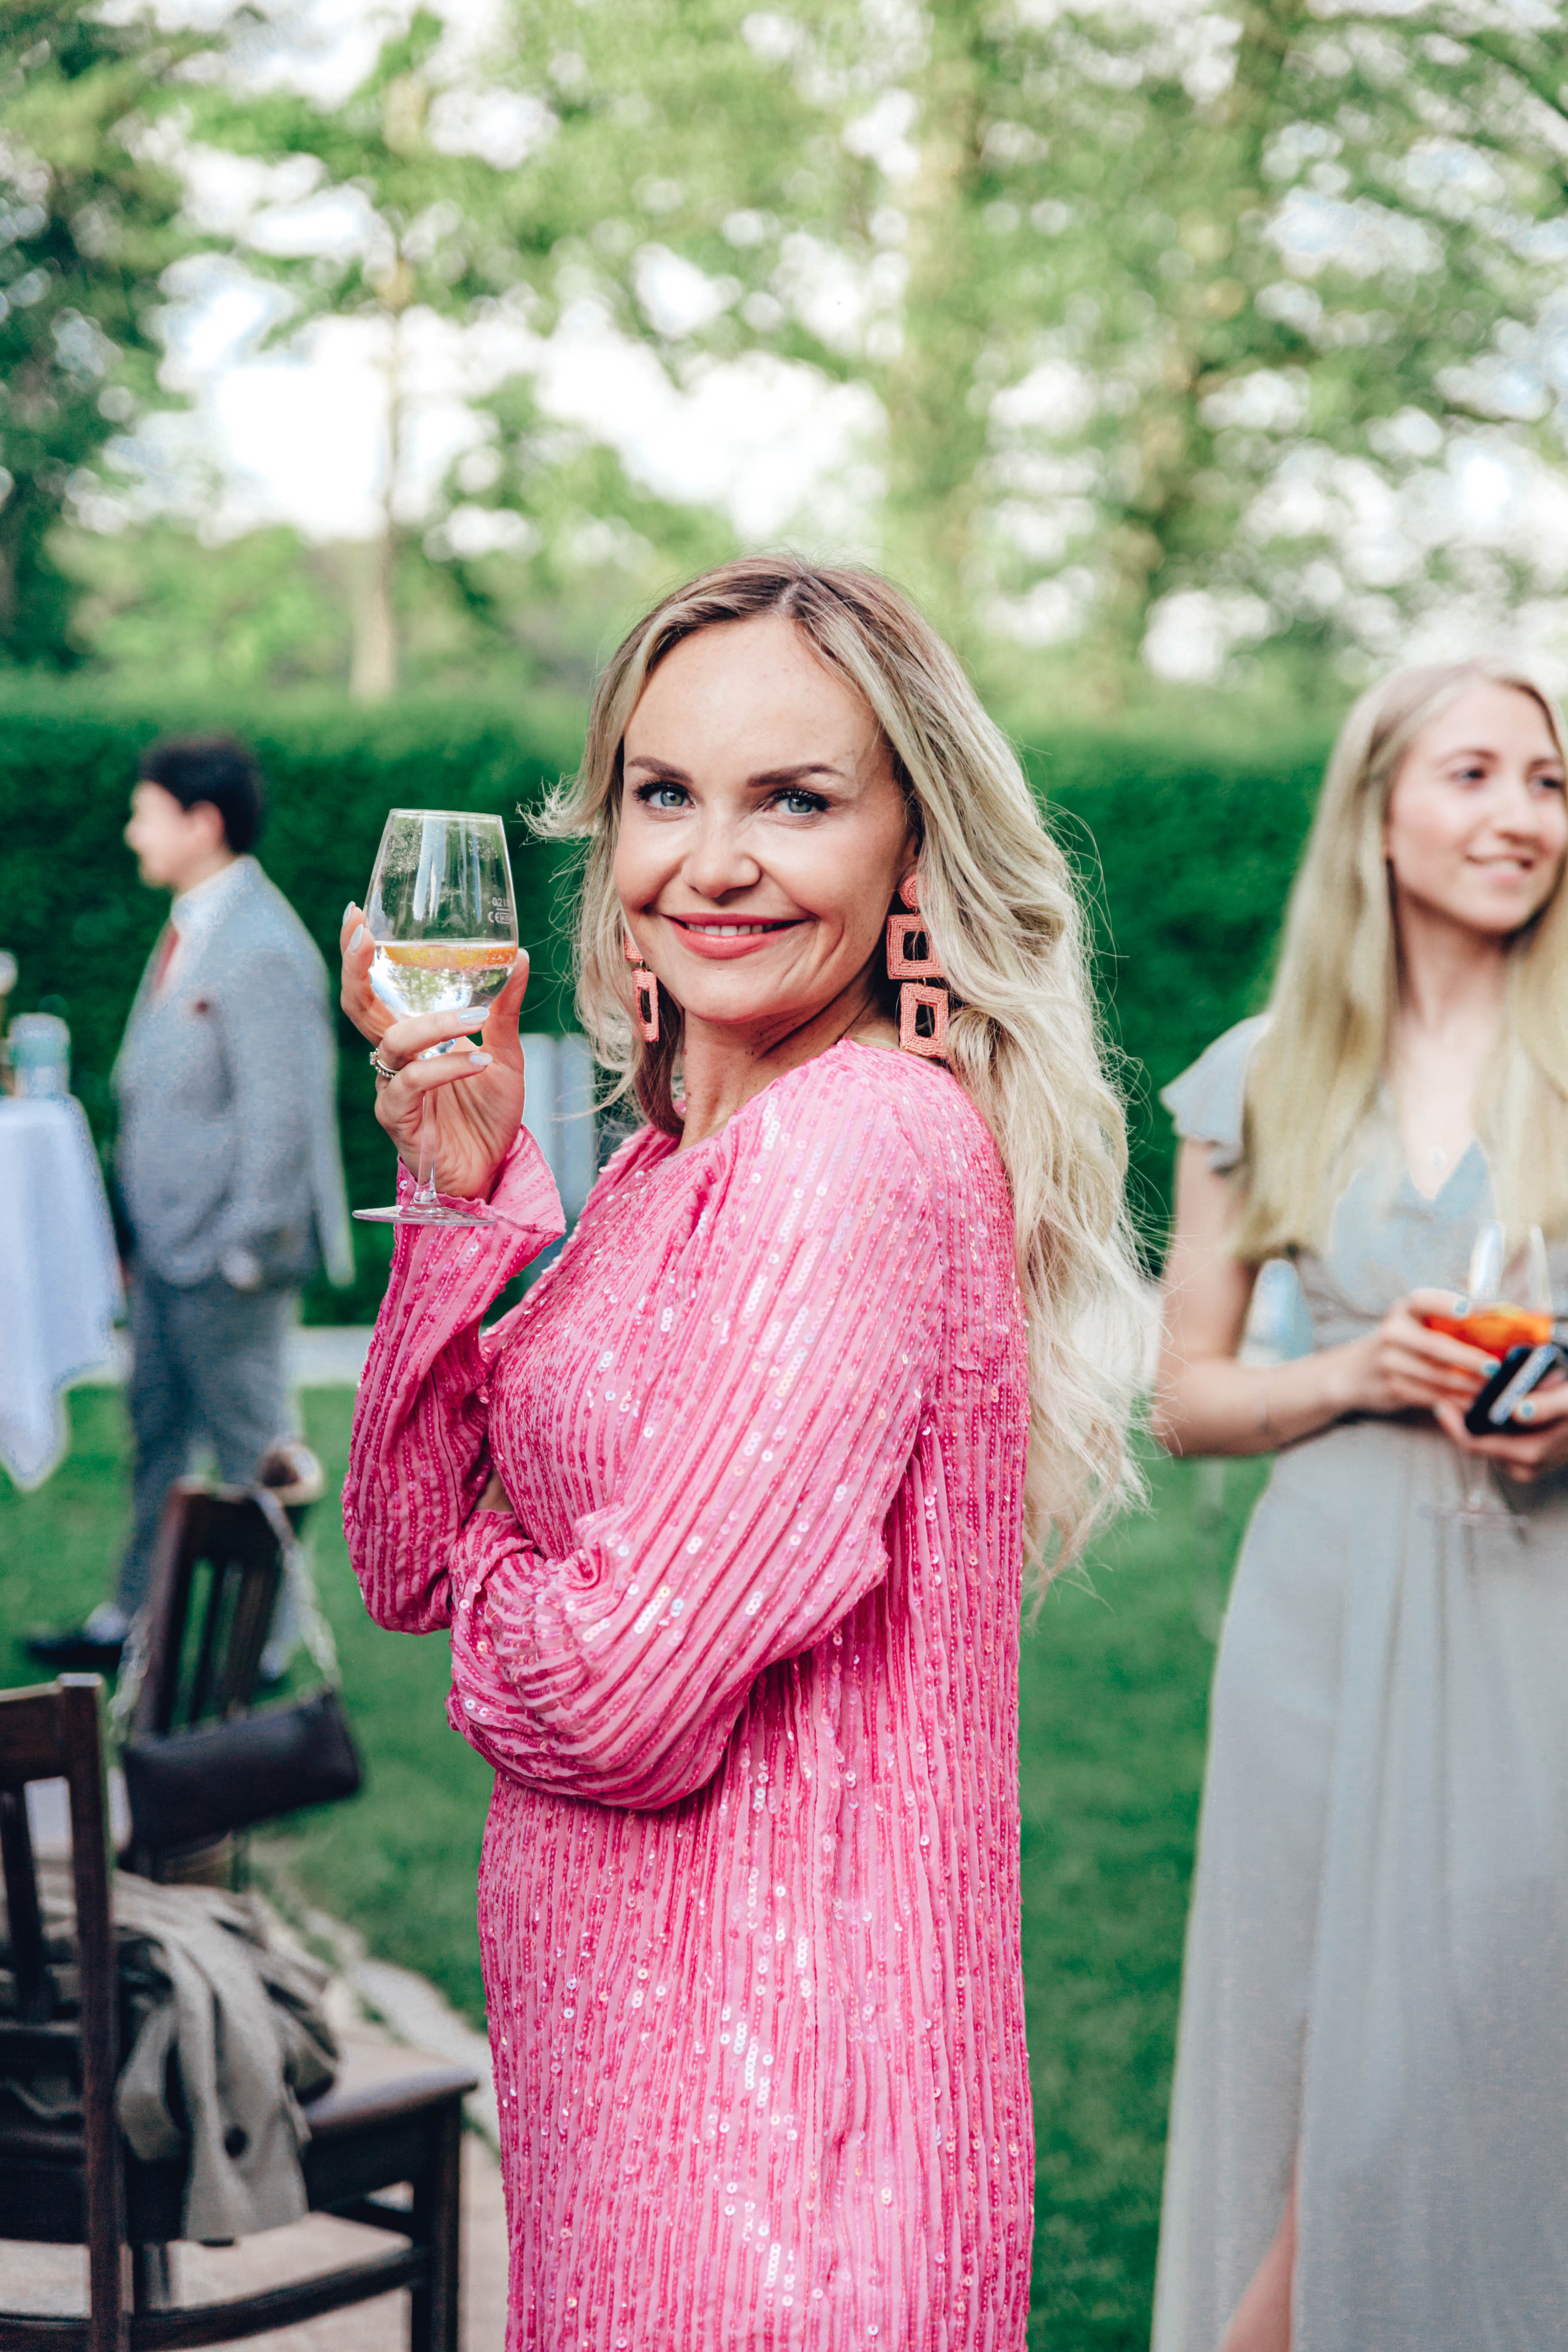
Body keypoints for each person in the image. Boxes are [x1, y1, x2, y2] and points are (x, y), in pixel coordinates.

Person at [340, 558, 1143, 2348]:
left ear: (910, 850)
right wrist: (458, 1193)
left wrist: (503, 1575)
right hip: (622, 2097)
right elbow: (397, 1550)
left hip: (784, 2144)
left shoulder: (860, 1146)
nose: (714, 861)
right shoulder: (657, 1171)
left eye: (797, 798)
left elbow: (618, 1691)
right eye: (665, 792)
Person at [1150, 662, 1568, 2351]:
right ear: (1378, 815)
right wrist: (1355, 1373)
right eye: (1475, 774)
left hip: (1534, 1615)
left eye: (1547, 782)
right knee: (1315, 2045)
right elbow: (1187, 1398)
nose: (1525, 816)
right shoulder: (1259, 1078)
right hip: (1319, 1619)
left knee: (1460, 2042)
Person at [29, 736, 351, 1672]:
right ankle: (132, 1620)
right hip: (170, 1252)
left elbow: (282, 1118)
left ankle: (269, 1646)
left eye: (146, 811)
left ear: (200, 822)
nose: (133, 829)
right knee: (156, 1441)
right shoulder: (196, 924)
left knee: (255, 1454)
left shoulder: (263, 944)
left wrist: (245, 1250)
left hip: (226, 1259)